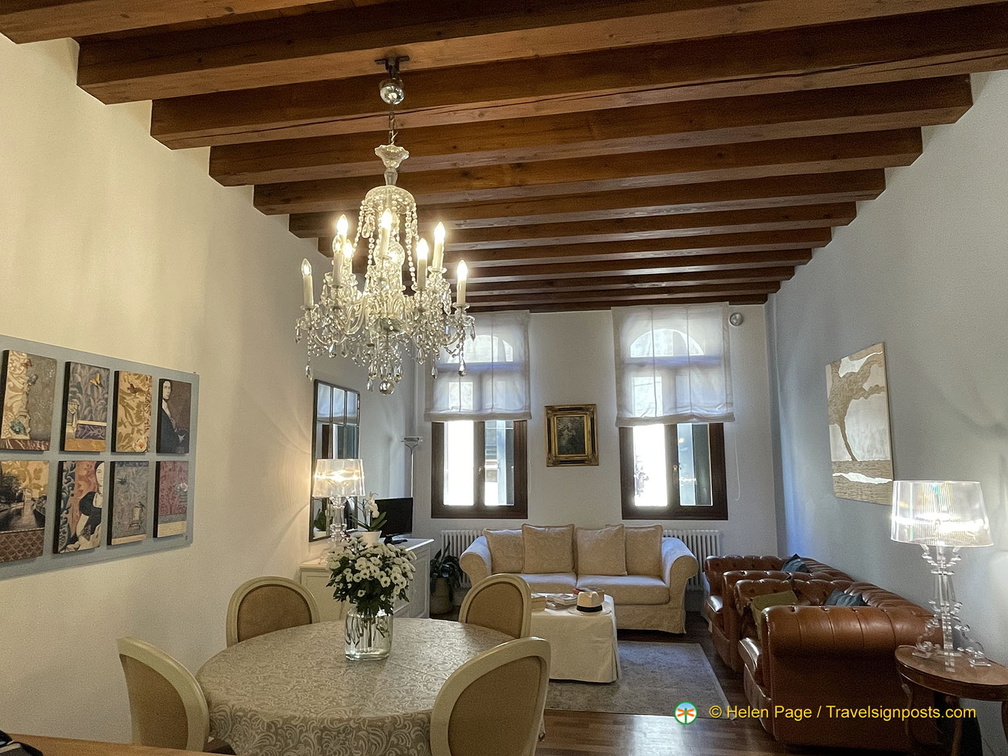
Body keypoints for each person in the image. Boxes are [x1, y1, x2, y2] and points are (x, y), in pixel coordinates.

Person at [158, 380, 188, 453]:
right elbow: (163, 434)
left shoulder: (168, 406)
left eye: (169, 388)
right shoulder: (158, 407)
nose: (168, 391)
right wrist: (178, 439)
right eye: (165, 387)